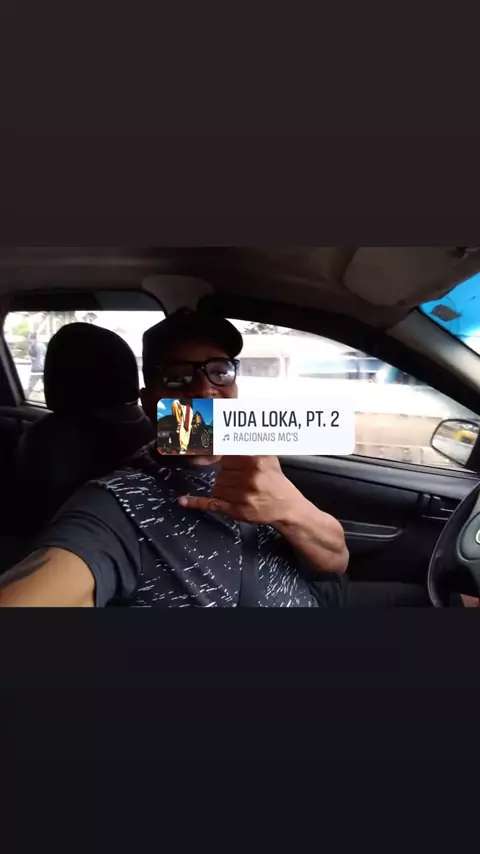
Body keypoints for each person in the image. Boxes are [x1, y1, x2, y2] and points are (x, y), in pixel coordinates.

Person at [0, 308, 476, 608]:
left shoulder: (251, 454)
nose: (205, 388)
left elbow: (335, 559)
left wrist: (289, 511)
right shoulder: (116, 503)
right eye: (179, 377)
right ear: (148, 399)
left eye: (219, 371)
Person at [26, 332, 47, 396]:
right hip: (43, 369)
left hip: (36, 369)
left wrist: (29, 357)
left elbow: (37, 358)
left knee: (30, 386)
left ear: (33, 339)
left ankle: (25, 397)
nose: (30, 341)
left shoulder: (34, 346)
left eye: (30, 339)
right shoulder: (42, 345)